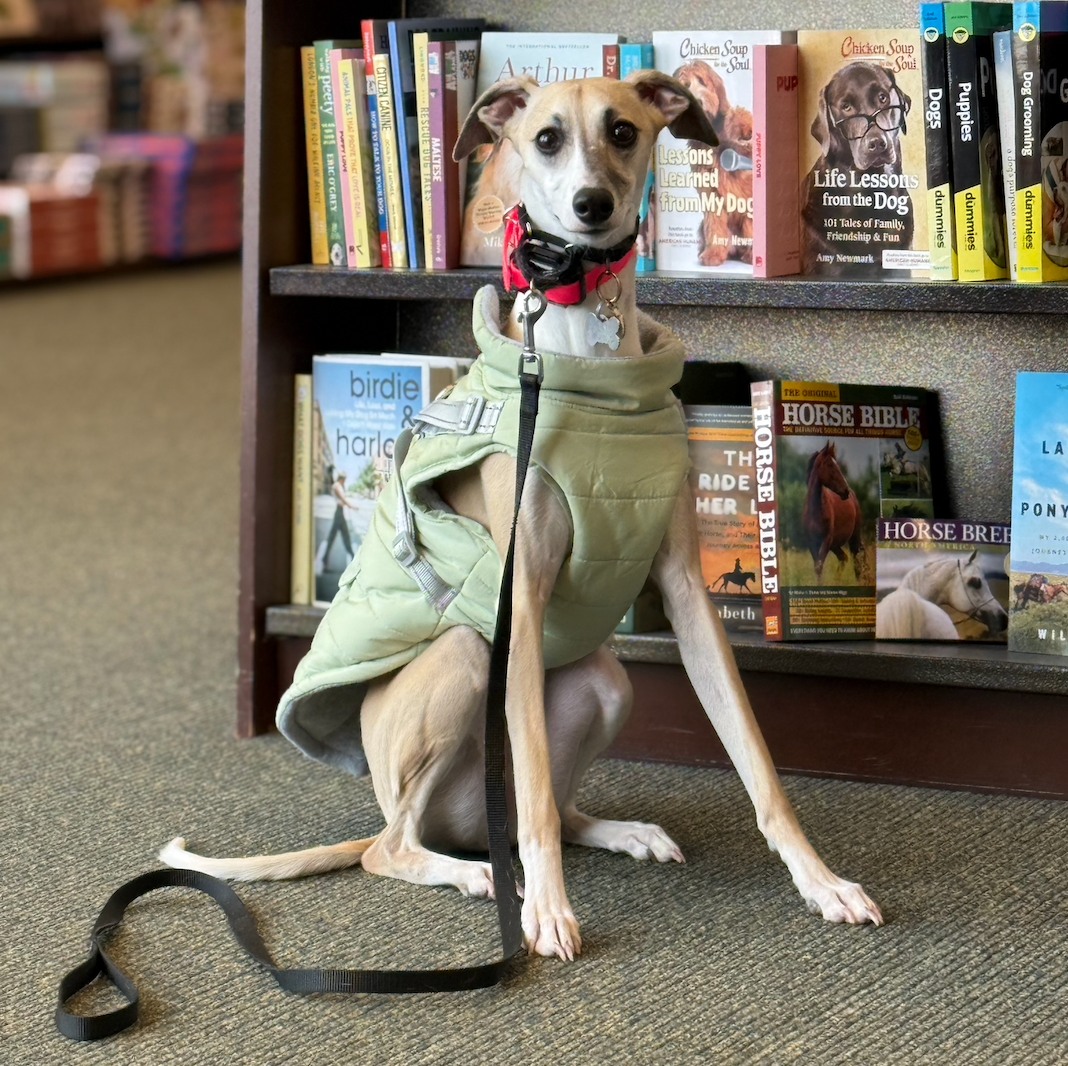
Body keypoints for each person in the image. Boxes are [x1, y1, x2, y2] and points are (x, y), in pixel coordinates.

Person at [315, 469, 357, 576]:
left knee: (341, 537)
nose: (345, 482)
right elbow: (342, 498)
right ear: (342, 479)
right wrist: (352, 506)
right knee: (339, 537)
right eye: (345, 480)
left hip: (340, 513)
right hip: (338, 514)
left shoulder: (338, 486)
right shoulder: (337, 486)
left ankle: (352, 558)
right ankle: (353, 559)